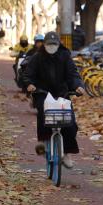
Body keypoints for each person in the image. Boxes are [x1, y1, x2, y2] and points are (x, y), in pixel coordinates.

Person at [21, 31, 84, 168]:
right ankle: (43, 141)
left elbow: (73, 74)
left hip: (62, 93)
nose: (51, 47)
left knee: (70, 123)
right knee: (44, 114)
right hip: (42, 93)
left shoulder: (65, 56)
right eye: (49, 44)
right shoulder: (37, 57)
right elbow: (27, 75)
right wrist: (30, 84)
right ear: (44, 44)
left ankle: (66, 153)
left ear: (59, 44)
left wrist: (78, 86)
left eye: (54, 44)